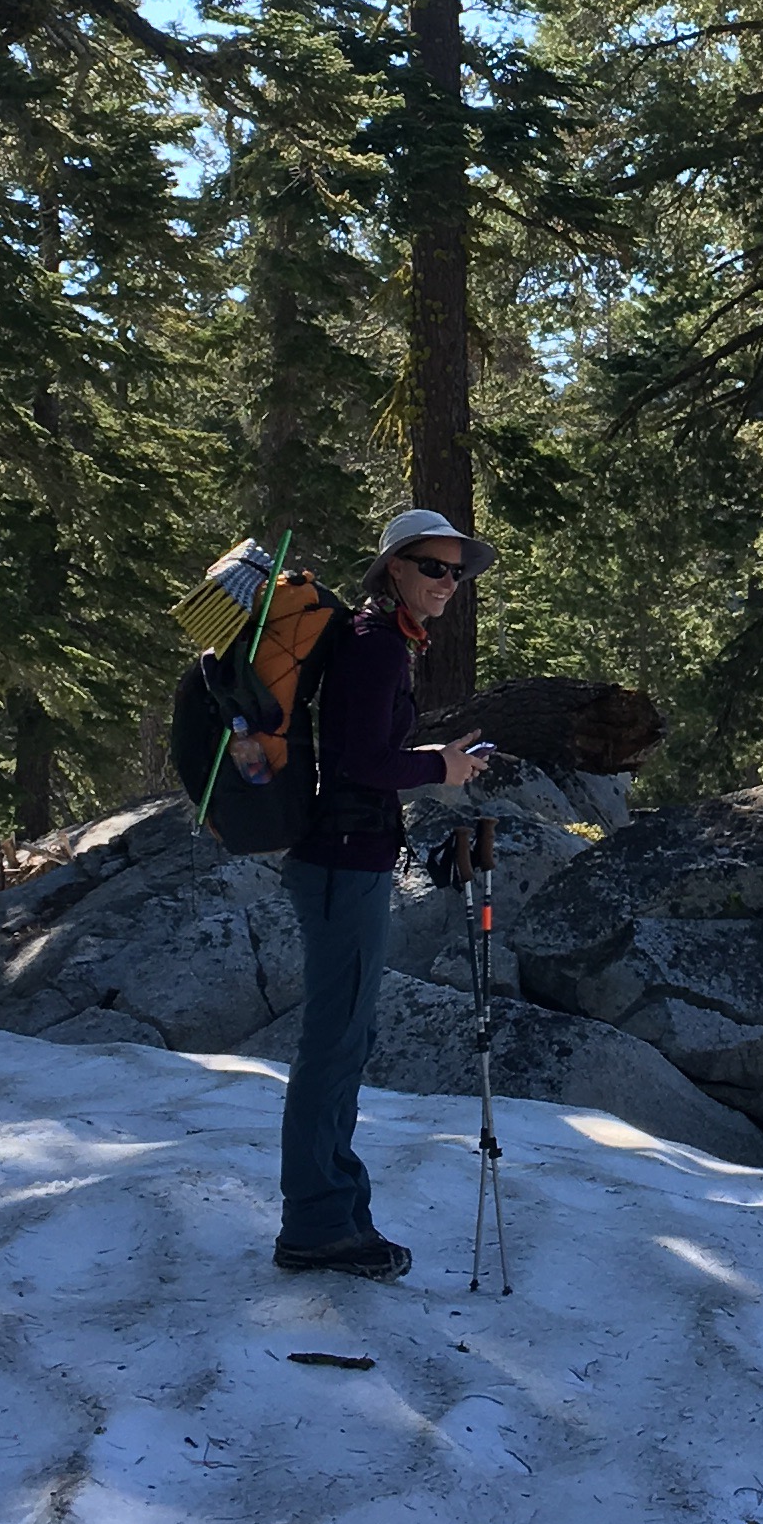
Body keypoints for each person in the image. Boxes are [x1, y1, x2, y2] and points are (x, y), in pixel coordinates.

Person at [272, 507, 493, 1281]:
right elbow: (360, 763)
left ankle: (333, 1213)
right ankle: (317, 1225)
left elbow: (362, 749)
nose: (448, 582)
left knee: (346, 1040)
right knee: (334, 1045)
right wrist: (439, 769)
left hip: (345, 860)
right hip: (343, 863)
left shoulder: (379, 640)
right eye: (433, 566)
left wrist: (429, 756)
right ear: (393, 567)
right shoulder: (374, 645)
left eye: (456, 572)